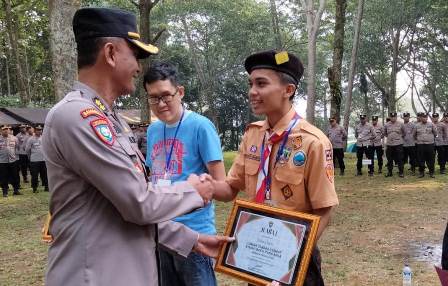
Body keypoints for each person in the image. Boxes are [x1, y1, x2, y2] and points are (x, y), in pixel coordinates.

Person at [42, 7, 231, 286]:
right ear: (110, 53)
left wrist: (190, 240)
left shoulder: (111, 120)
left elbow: (117, 207)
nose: (139, 67)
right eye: (135, 55)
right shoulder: (78, 117)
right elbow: (138, 203)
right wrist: (195, 191)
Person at [212, 50, 339, 285]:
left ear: (288, 90)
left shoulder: (313, 142)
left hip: (294, 259)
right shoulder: (253, 135)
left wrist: (291, 263)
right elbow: (230, 188)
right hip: (256, 254)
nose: (252, 91)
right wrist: (207, 187)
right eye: (250, 84)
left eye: (261, 83)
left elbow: (324, 209)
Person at [143, 61, 226, 286]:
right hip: (162, 231)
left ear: (180, 92)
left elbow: (220, 182)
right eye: (153, 98)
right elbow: (155, 176)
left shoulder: (201, 126)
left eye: (165, 96)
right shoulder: (153, 130)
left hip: (194, 233)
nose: (160, 104)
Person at [413, 113, 437, 178]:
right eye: (423, 117)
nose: (424, 118)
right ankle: (421, 172)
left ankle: (431, 172)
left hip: (430, 145)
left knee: (431, 159)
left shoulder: (431, 124)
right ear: (421, 118)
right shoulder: (417, 126)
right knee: (421, 159)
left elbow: (435, 133)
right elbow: (414, 135)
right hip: (420, 145)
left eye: (425, 117)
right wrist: (419, 140)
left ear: (427, 118)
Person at [25, 125, 48, 193]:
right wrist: (30, 157)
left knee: (45, 174)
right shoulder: (31, 139)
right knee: (35, 175)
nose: (39, 131)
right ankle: (35, 188)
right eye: (38, 130)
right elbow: (27, 150)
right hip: (34, 160)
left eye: (40, 130)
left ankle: (47, 187)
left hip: (43, 160)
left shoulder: (44, 138)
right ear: (35, 130)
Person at [0, 125, 21, 197]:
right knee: (3, 177)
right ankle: (5, 192)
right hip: (2, 161)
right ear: (1, 130)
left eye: (7, 129)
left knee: (15, 176)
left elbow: (17, 147)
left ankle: (16, 190)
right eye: (4, 129)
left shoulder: (14, 138)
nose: (6, 130)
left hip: (13, 161)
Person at [383, 112, 405, 177]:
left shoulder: (401, 124)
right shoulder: (386, 125)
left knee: (400, 159)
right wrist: (391, 137)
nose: (393, 118)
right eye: (391, 117)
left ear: (396, 117)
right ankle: (390, 172)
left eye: (394, 117)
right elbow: (385, 133)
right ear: (390, 117)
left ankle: (401, 172)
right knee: (389, 159)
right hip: (390, 144)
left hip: (398, 144)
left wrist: (398, 137)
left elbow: (404, 133)